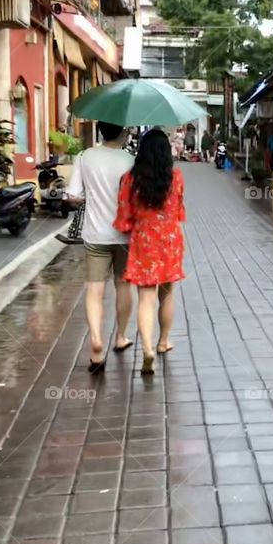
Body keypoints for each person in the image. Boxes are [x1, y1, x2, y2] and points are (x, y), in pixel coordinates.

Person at [114, 130, 186, 375]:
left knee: (146, 298)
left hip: (144, 241)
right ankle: (163, 341)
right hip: (170, 240)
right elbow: (179, 212)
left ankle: (147, 349)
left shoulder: (129, 179)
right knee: (166, 294)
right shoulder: (175, 178)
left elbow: (124, 218)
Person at [65, 121, 135, 374]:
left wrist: (90, 197)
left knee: (94, 290)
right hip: (125, 235)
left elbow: (72, 195)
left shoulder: (85, 156)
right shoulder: (130, 160)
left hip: (95, 235)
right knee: (123, 286)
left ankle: (96, 340)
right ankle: (121, 336)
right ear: (123, 132)